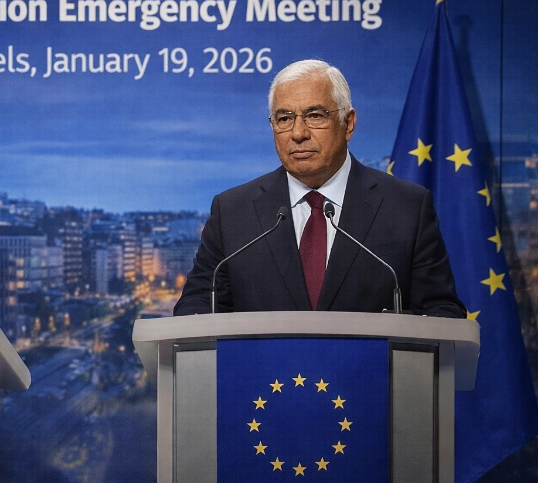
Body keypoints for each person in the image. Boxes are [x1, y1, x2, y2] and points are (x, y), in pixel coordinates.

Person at [174, 59, 465, 318]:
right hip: (264, 379)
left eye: (315, 116)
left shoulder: (406, 208)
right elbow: (197, 308)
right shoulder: (233, 212)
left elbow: (442, 312)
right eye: (284, 119)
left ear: (348, 123)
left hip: (372, 378)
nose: (298, 134)